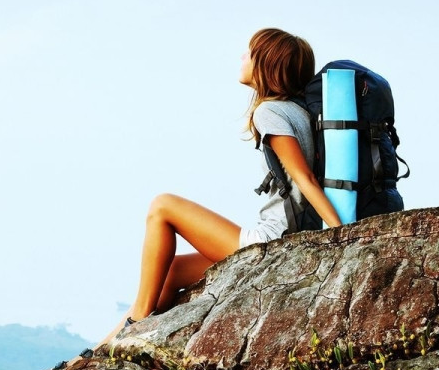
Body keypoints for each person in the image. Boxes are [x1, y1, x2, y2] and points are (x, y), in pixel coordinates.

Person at [98, 28, 342, 352]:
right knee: (171, 271)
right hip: (285, 239)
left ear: (267, 63)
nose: (242, 57)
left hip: (271, 242)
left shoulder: (269, 111)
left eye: (249, 52)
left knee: (162, 206)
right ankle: (97, 353)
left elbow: (305, 178)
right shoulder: (300, 111)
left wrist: (343, 236)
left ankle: (136, 323)